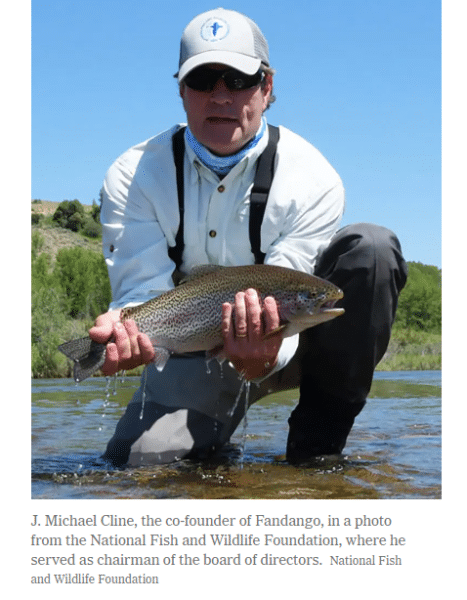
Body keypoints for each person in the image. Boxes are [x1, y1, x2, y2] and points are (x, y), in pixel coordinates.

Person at [90, 8, 407, 466]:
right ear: (181, 90)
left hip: (299, 345)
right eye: (203, 80)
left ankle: (316, 450)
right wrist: (127, 330)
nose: (220, 97)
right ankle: (213, 442)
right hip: (189, 346)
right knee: (138, 467)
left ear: (267, 87)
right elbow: (143, 291)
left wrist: (262, 353)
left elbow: (292, 288)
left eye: (237, 80)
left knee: (372, 249)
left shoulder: (313, 178)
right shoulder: (133, 175)